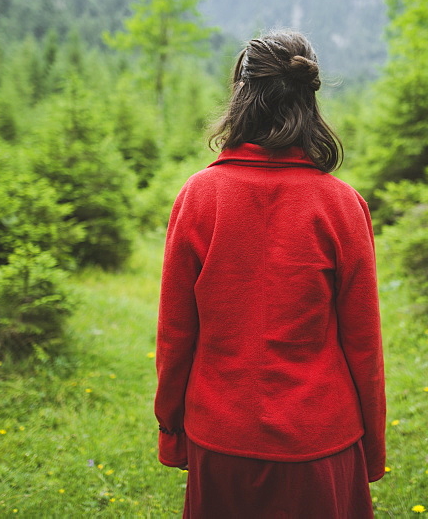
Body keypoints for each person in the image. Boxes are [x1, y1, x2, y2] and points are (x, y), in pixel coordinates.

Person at [154, 30, 386, 518]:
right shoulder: (342, 205)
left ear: (242, 95)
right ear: (309, 96)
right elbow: (363, 343)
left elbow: (177, 334)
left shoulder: (199, 196)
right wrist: (373, 446)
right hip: (322, 444)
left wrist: (172, 430)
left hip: (220, 441)